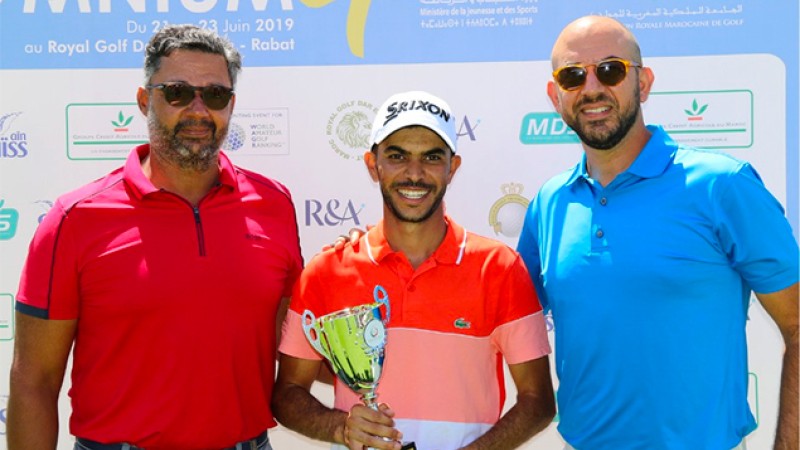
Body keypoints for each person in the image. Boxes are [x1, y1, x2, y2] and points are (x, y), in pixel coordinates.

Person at [7, 25, 302, 450]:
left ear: (231, 105)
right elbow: (34, 380)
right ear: (146, 100)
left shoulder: (274, 204)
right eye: (178, 92)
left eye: (215, 95)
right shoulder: (74, 219)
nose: (198, 110)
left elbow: (292, 340)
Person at [517, 15, 799, 450]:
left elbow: (797, 324)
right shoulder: (550, 203)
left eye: (610, 70)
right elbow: (511, 326)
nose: (591, 88)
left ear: (643, 83)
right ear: (556, 97)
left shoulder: (721, 184)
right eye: (573, 76)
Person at [272, 90, 556, 450]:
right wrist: (340, 427)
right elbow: (288, 394)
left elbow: (539, 402)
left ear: (452, 168)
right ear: (373, 165)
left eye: (431, 157)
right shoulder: (326, 270)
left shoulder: (499, 267)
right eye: (397, 156)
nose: (414, 173)